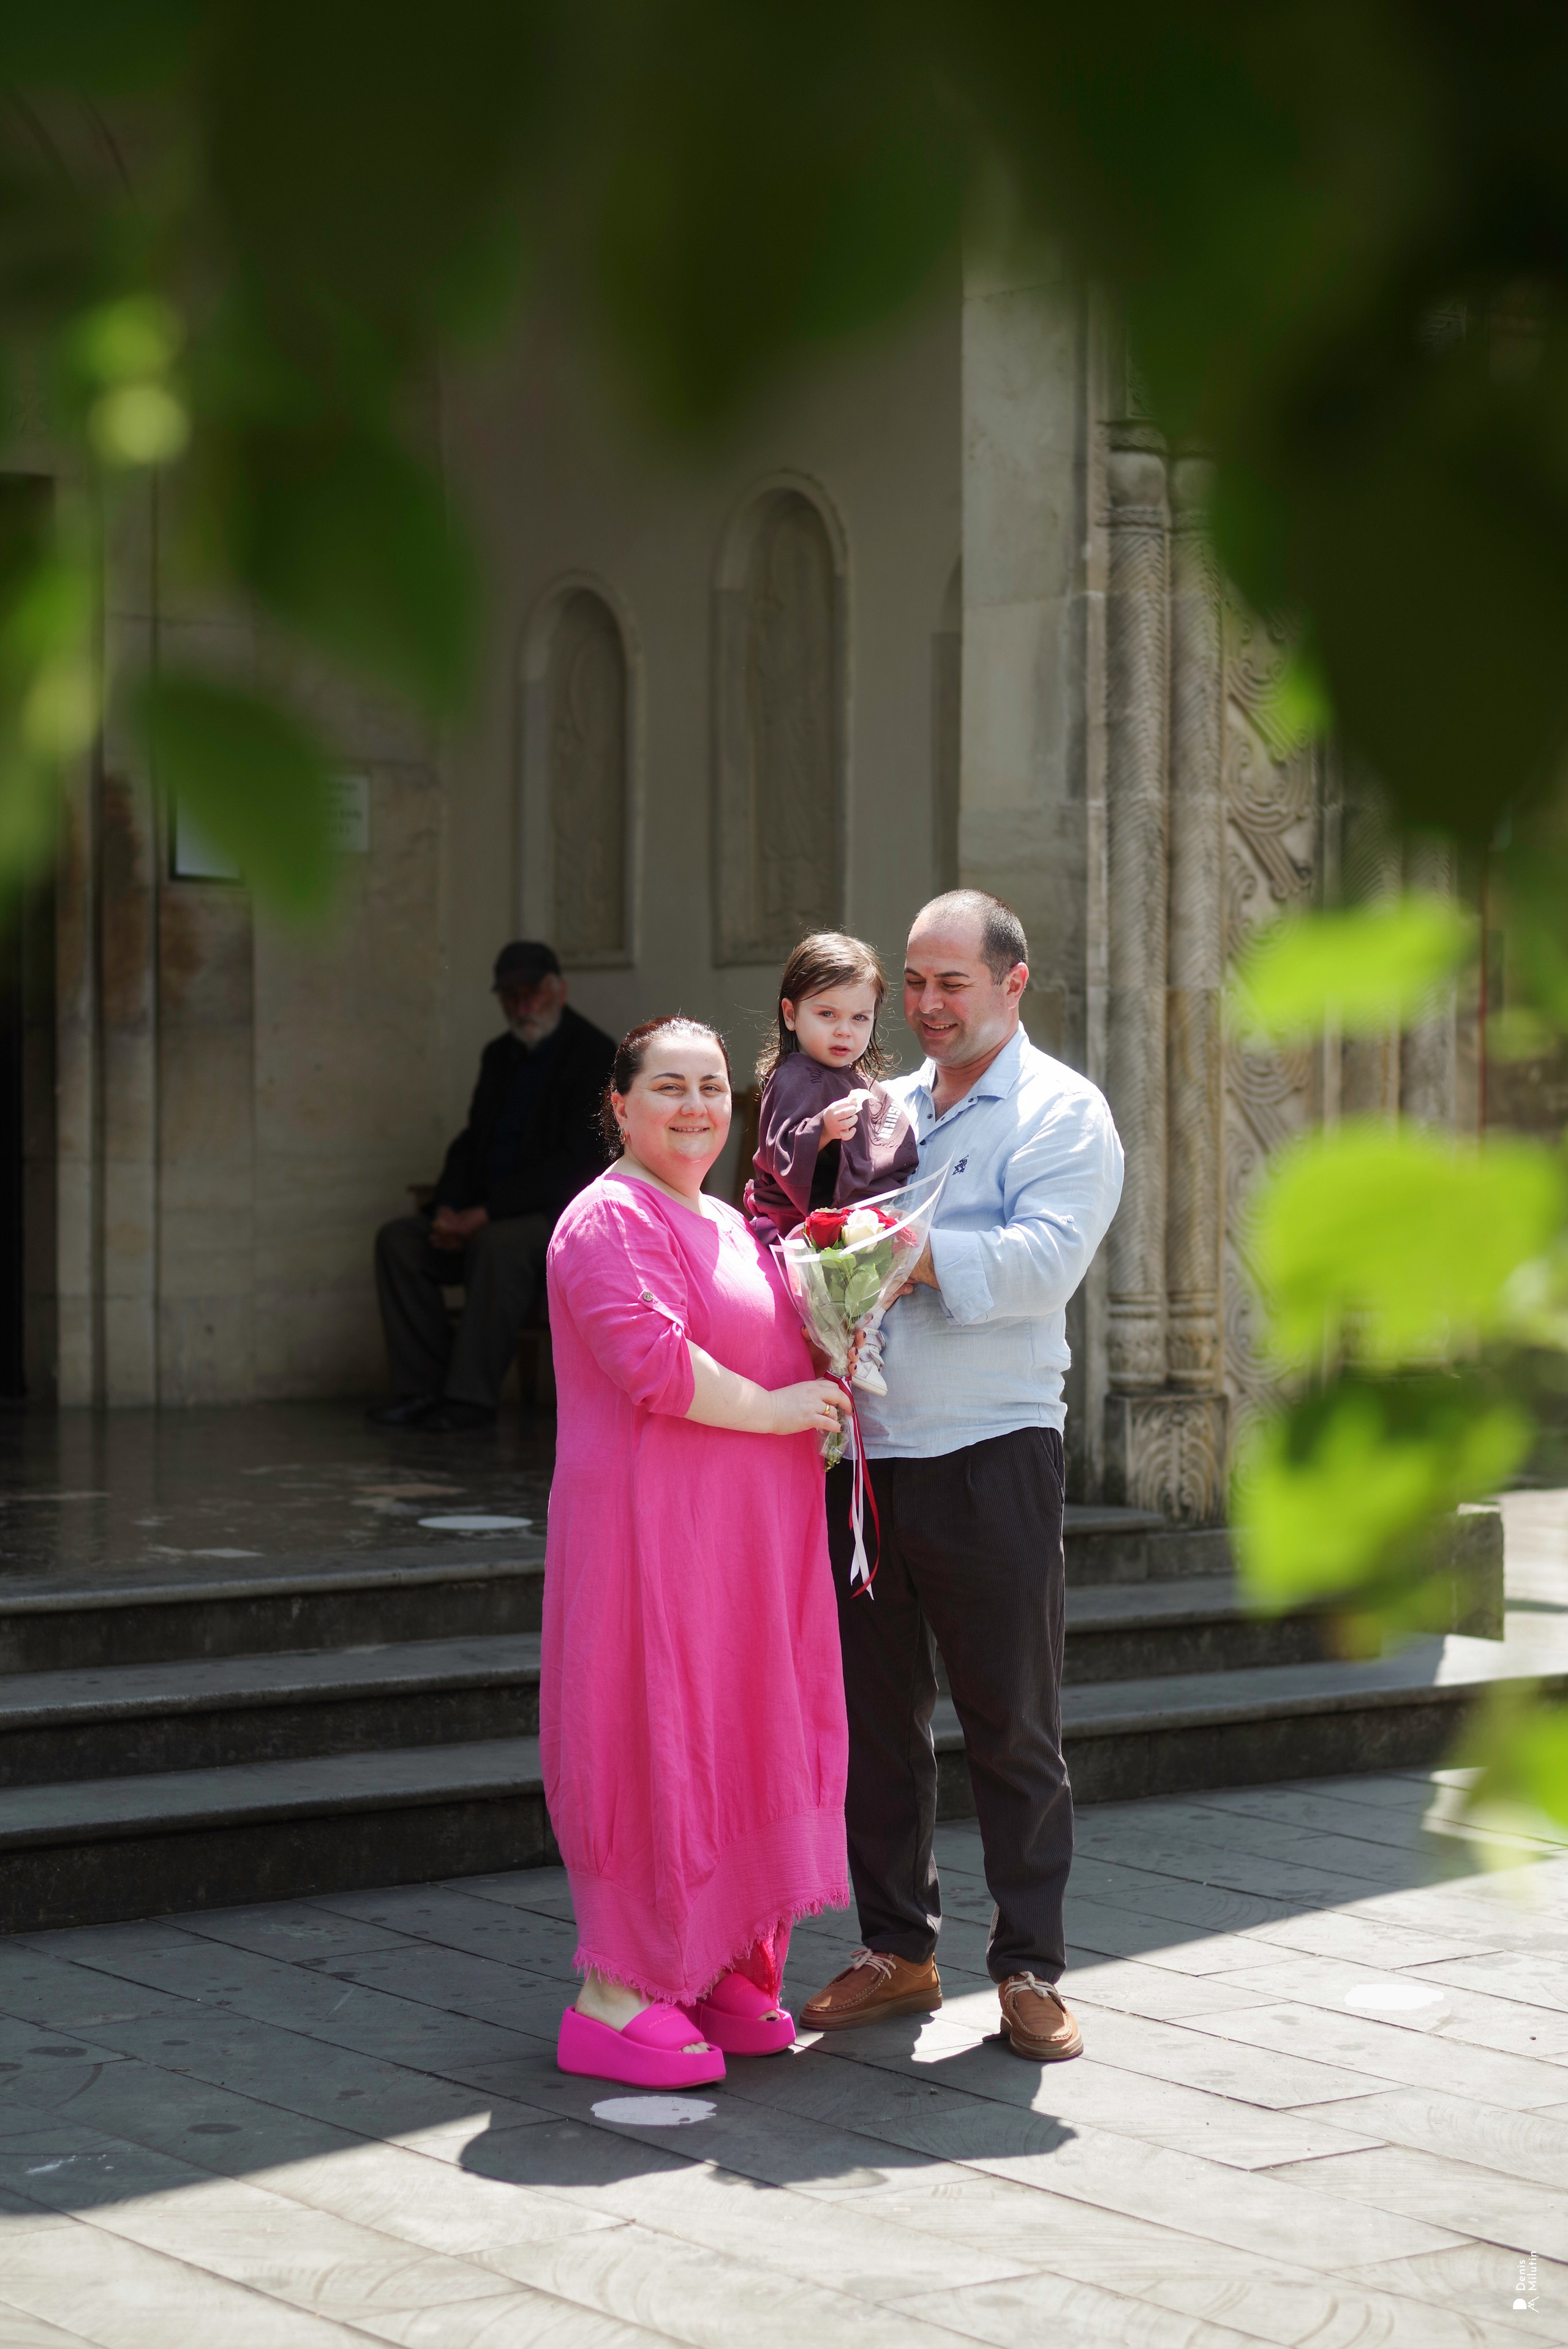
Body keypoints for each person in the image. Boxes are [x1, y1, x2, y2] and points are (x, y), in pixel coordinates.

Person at [801, 890, 1124, 2063]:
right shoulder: (873, 1107)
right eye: (917, 984)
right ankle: (899, 1950)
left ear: (1013, 984)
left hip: (993, 1452)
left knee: (1012, 1725)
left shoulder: (1063, 1113)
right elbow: (807, 1222)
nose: (928, 1007)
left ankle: (1030, 1969)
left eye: (953, 985)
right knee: (877, 1728)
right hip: (868, 1464)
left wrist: (900, 1251)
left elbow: (1043, 1266)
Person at [542, 1014, 851, 2088]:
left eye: (713, 1087)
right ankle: (617, 1992)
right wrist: (780, 1411)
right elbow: (654, 1367)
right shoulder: (608, 1219)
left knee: (735, 1727)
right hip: (649, 1540)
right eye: (668, 1086)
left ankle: (717, 1959)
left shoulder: (730, 1221)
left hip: (747, 1549)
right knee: (649, 1728)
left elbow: (776, 1353)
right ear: (619, 1106)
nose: (695, 1107)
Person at [371, 942, 615, 1431]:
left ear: (559, 991)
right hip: (481, 1213)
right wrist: (447, 1207)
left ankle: (468, 1400)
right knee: (400, 1242)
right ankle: (424, 1390)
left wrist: (483, 1215)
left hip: (555, 1220)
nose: (523, 1006)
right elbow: (472, 1142)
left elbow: (573, 1165)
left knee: (499, 1245)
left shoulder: (594, 1055)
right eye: (511, 995)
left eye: (533, 994)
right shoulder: (497, 1056)